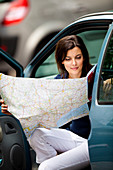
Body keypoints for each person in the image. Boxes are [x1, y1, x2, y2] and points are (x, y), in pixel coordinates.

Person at [0, 35, 93, 170]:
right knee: (35, 135)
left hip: (93, 143)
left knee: (45, 167)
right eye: (68, 59)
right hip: (71, 138)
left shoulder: (95, 79)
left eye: (78, 57)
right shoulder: (58, 82)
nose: (74, 63)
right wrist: (13, 110)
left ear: (84, 57)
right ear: (62, 61)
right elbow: (36, 110)